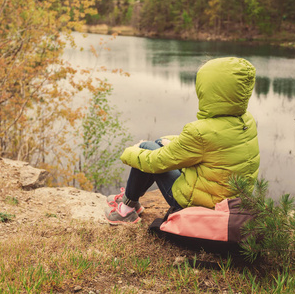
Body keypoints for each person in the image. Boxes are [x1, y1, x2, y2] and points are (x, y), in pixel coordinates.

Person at [104, 57, 260, 225]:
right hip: (228, 204)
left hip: (197, 207)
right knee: (157, 144)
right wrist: (168, 141)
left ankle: (127, 209)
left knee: (147, 149)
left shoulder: (200, 131)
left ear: (209, 91)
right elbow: (212, 146)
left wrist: (131, 151)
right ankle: (130, 201)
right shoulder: (246, 120)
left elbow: (156, 162)